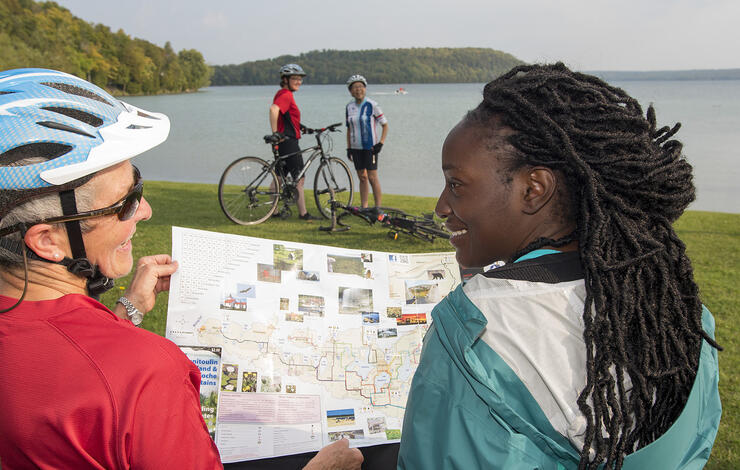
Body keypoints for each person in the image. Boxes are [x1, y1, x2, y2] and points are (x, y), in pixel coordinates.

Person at [0, 68, 363, 469]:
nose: (147, 210)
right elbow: (101, 380)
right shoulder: (148, 372)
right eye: (126, 202)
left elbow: (64, 374)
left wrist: (127, 313)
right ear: (47, 240)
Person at [398, 63, 721, 469]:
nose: (441, 207)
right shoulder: (677, 314)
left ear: (534, 190)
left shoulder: (470, 331)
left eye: (456, 184)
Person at [269, 63, 317, 221]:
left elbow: (285, 117)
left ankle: (273, 211)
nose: (298, 81)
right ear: (285, 79)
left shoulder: (281, 93)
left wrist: (301, 127)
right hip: (288, 142)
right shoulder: (286, 95)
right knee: (299, 178)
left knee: (279, 177)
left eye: (300, 79)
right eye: (295, 78)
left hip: (284, 141)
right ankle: (304, 214)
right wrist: (275, 133)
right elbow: (274, 110)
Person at [345, 75, 388, 208]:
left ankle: (377, 208)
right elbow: (349, 128)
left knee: (372, 177)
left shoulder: (372, 105)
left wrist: (380, 143)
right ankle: (364, 206)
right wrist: (349, 148)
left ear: (365, 88)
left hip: (371, 147)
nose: (358, 90)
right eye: (354, 87)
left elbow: (385, 125)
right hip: (356, 148)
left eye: (360, 87)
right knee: (362, 177)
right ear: (350, 91)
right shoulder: (349, 107)